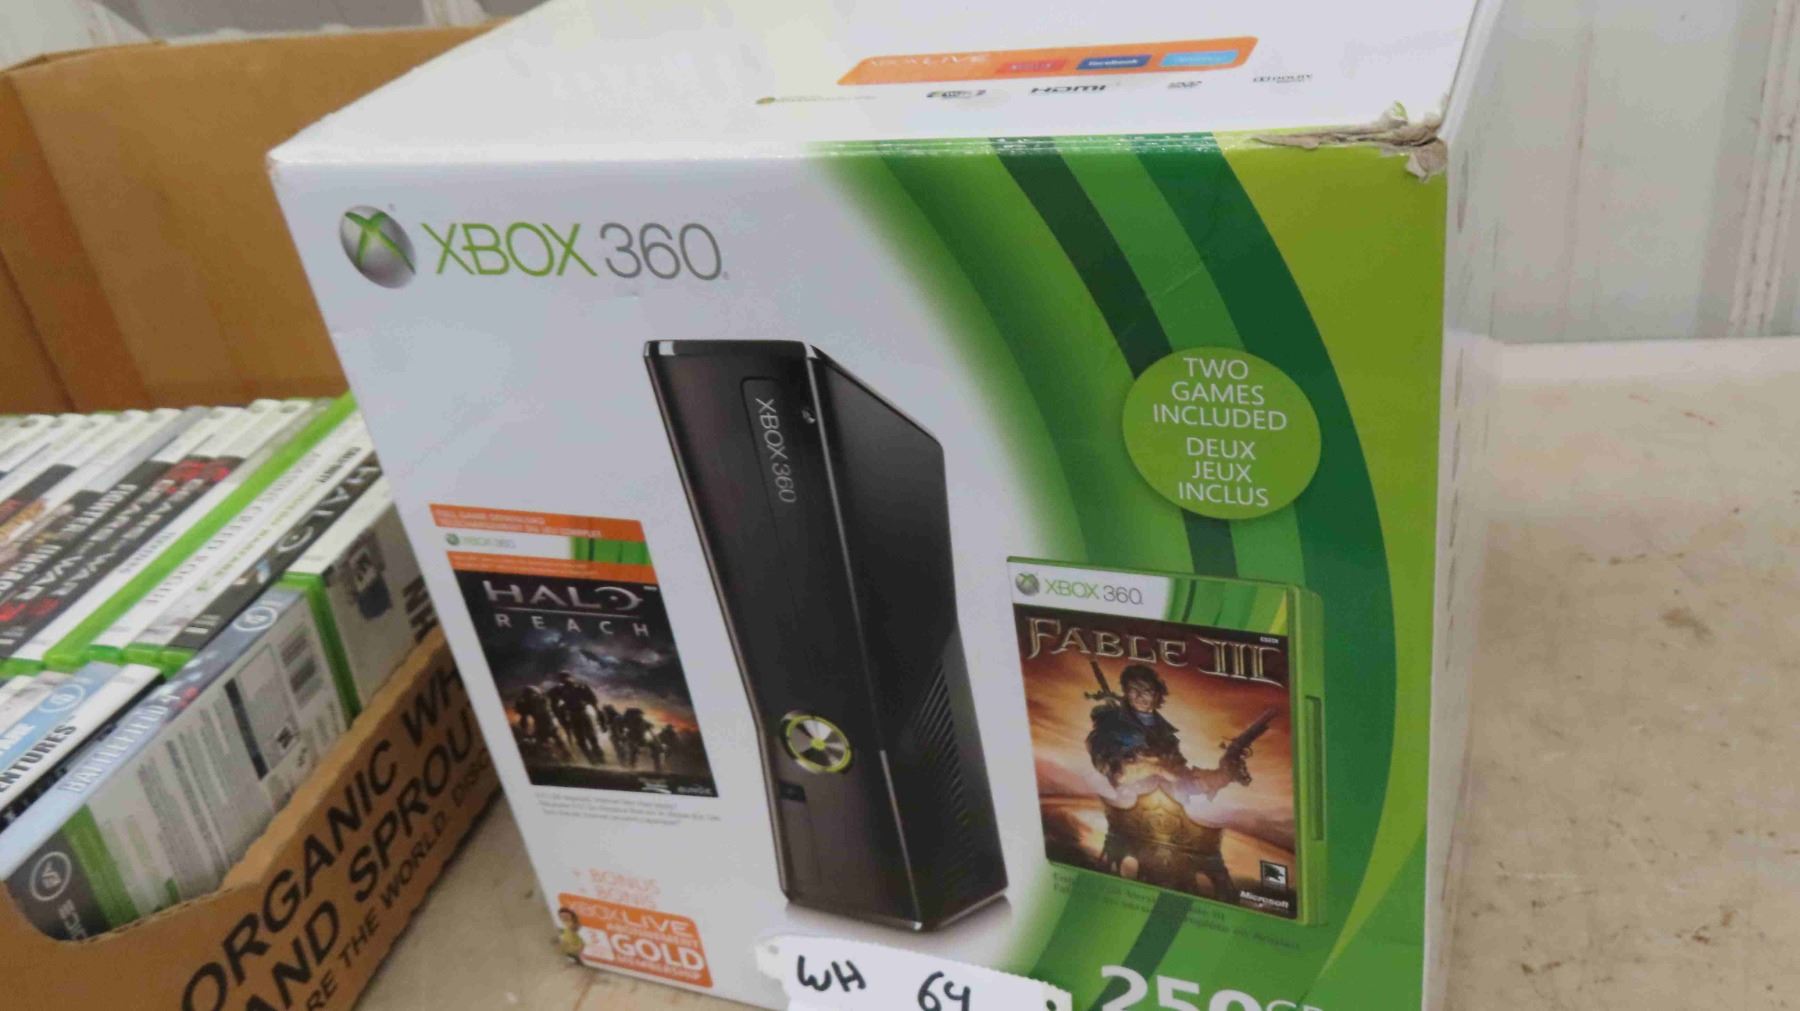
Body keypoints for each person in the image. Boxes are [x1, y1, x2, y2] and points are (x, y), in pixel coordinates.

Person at [1086, 664, 1246, 902]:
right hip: (1132, 824)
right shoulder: (1111, 725)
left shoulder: (1166, 735)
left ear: (1157, 694)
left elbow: (1183, 780)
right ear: (1125, 692)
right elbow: (1114, 771)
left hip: (1176, 830)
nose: (1140, 696)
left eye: (1147, 690)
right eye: (1133, 690)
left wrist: (1220, 777)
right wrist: (1155, 767)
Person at [548, 672, 607, 764]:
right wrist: (560, 715)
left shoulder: (580, 687)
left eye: (565, 678)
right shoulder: (560, 689)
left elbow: (593, 701)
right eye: (562, 678)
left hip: (582, 713)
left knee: (591, 738)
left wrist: (598, 713)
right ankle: (593, 761)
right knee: (582, 741)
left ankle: (600, 760)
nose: (564, 680)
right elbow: (552, 700)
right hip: (573, 715)